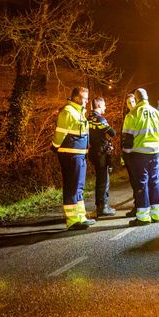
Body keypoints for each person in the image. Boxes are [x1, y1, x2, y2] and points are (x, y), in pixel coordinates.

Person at [52, 87, 95, 231]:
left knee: (79, 187)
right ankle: (72, 220)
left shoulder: (79, 112)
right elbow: (60, 134)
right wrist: (55, 147)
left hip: (80, 154)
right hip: (70, 154)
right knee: (71, 187)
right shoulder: (68, 112)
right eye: (85, 98)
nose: (87, 101)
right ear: (76, 98)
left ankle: (81, 216)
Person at [122, 88, 159, 226]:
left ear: (137, 98)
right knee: (155, 182)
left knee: (141, 184)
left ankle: (143, 217)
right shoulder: (157, 113)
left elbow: (127, 139)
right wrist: (158, 147)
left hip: (139, 154)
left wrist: (126, 155)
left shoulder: (132, 114)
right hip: (154, 152)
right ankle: (157, 215)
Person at [88, 96, 116, 217]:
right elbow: (112, 133)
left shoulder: (88, 119)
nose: (105, 107)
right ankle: (103, 207)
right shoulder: (100, 119)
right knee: (104, 180)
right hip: (101, 153)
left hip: (93, 151)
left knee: (100, 179)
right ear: (99, 105)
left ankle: (100, 205)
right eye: (104, 105)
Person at [121, 92, 138, 218]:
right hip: (131, 152)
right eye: (129, 103)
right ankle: (138, 205)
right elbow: (124, 136)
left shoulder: (136, 115)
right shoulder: (128, 116)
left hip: (137, 152)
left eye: (133, 102)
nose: (132, 104)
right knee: (135, 181)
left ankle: (139, 206)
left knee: (138, 181)